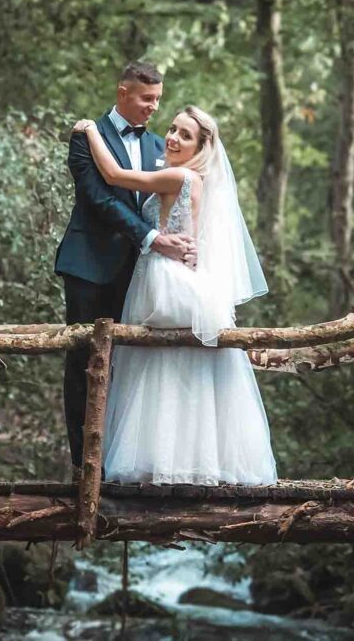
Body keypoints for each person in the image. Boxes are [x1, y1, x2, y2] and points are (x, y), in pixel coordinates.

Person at [71, 106, 277, 485]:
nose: (172, 138)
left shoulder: (179, 176)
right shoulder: (195, 179)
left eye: (185, 135)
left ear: (201, 147)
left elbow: (114, 175)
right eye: (172, 129)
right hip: (171, 270)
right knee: (170, 364)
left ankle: (165, 463)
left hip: (163, 275)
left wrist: (89, 130)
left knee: (161, 364)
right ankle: (179, 461)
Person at [55, 62, 196, 482]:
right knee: (83, 360)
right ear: (123, 93)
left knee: (131, 363)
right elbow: (100, 200)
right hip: (89, 265)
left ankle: (122, 463)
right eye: (147, 99)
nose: (154, 107)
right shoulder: (87, 137)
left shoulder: (158, 146)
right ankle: (84, 467)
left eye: (158, 100)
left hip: (140, 273)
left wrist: (189, 244)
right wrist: (154, 238)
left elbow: (180, 197)